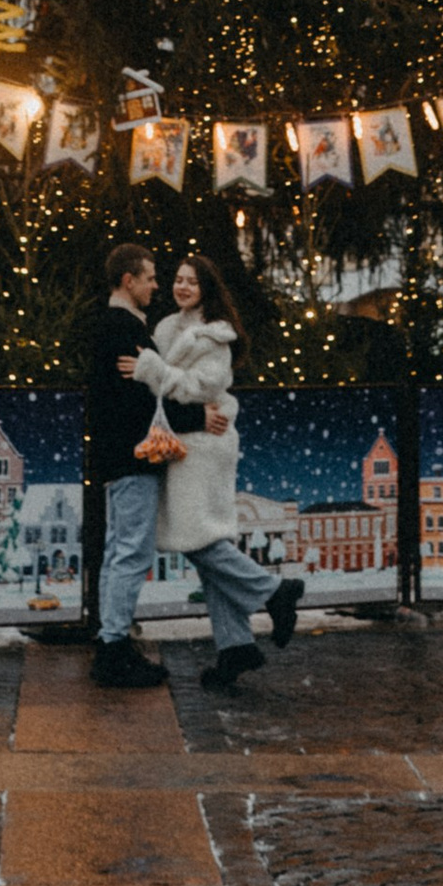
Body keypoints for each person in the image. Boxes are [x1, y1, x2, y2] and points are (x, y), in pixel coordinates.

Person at [131, 252, 302, 693]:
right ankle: (234, 646)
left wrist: (153, 371)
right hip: (184, 440)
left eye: (192, 282)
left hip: (203, 447)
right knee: (204, 542)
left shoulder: (215, 336)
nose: (182, 287)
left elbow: (202, 387)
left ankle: (272, 590)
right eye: (178, 280)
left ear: (207, 289)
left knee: (197, 539)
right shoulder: (167, 327)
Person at [85, 237, 184, 687]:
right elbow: (145, 398)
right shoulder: (124, 329)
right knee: (131, 552)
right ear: (128, 280)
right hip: (132, 456)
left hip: (115, 456)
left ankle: (110, 640)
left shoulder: (109, 325)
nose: (156, 286)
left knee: (118, 551)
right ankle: (113, 646)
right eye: (149, 277)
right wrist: (198, 413)